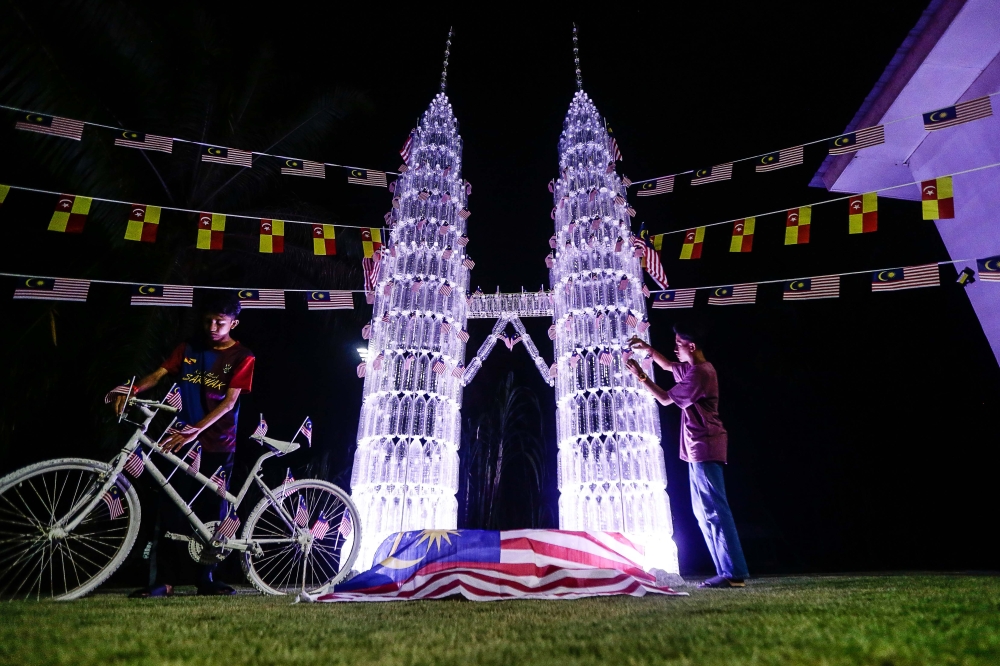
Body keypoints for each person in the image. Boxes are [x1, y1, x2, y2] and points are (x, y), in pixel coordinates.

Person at [110, 292, 255, 597]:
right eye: (208, 320)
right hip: (180, 442)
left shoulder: (243, 357)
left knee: (212, 512)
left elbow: (230, 403)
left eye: (220, 321)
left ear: (234, 323)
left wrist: (196, 429)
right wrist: (132, 388)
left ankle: (207, 578)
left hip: (218, 443)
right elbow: (160, 374)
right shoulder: (189, 348)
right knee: (171, 508)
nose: (213, 326)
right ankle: (164, 580)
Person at [626, 322, 748, 589]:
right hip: (697, 447)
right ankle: (728, 571)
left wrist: (641, 376)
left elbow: (667, 399)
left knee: (715, 510)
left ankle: (733, 572)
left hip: (705, 445)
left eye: (679, 344)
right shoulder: (695, 369)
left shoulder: (700, 374)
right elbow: (670, 366)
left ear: (691, 346)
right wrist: (648, 350)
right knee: (704, 511)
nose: (675, 348)